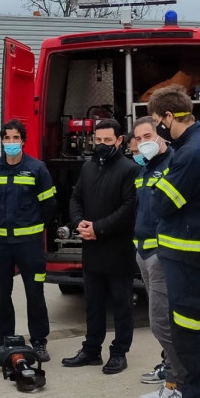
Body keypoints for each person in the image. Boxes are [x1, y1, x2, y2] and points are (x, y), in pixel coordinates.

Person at [149, 86, 200, 398]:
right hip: (185, 253)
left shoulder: (192, 152)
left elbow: (162, 203)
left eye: (157, 121)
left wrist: (156, 186)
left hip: (189, 255)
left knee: (190, 338)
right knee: (185, 335)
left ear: (169, 117)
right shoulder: (194, 145)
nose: (157, 128)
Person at [61, 118, 139, 374]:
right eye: (98, 140)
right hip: (91, 250)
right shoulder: (88, 168)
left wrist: (99, 228)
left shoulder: (130, 169)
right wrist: (78, 224)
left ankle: (119, 352)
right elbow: (76, 197)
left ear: (119, 141)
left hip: (118, 250)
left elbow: (128, 209)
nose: (102, 145)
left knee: (121, 304)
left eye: (107, 140)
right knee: (92, 303)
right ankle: (91, 350)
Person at [0, 118, 56, 362]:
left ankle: (39, 342)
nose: (11, 142)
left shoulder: (37, 169)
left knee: (34, 293)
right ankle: (4, 340)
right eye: (7, 138)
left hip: (30, 245)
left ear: (23, 140)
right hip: (1, 245)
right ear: (2, 140)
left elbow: (49, 205)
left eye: (15, 138)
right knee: (2, 294)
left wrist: (31, 227)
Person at [130, 117, 186, 398]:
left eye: (148, 135)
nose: (143, 142)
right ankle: (173, 384)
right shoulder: (146, 168)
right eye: (138, 138)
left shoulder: (173, 165)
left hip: (162, 254)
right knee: (162, 323)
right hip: (144, 250)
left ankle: (183, 388)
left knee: (163, 324)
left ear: (161, 135)